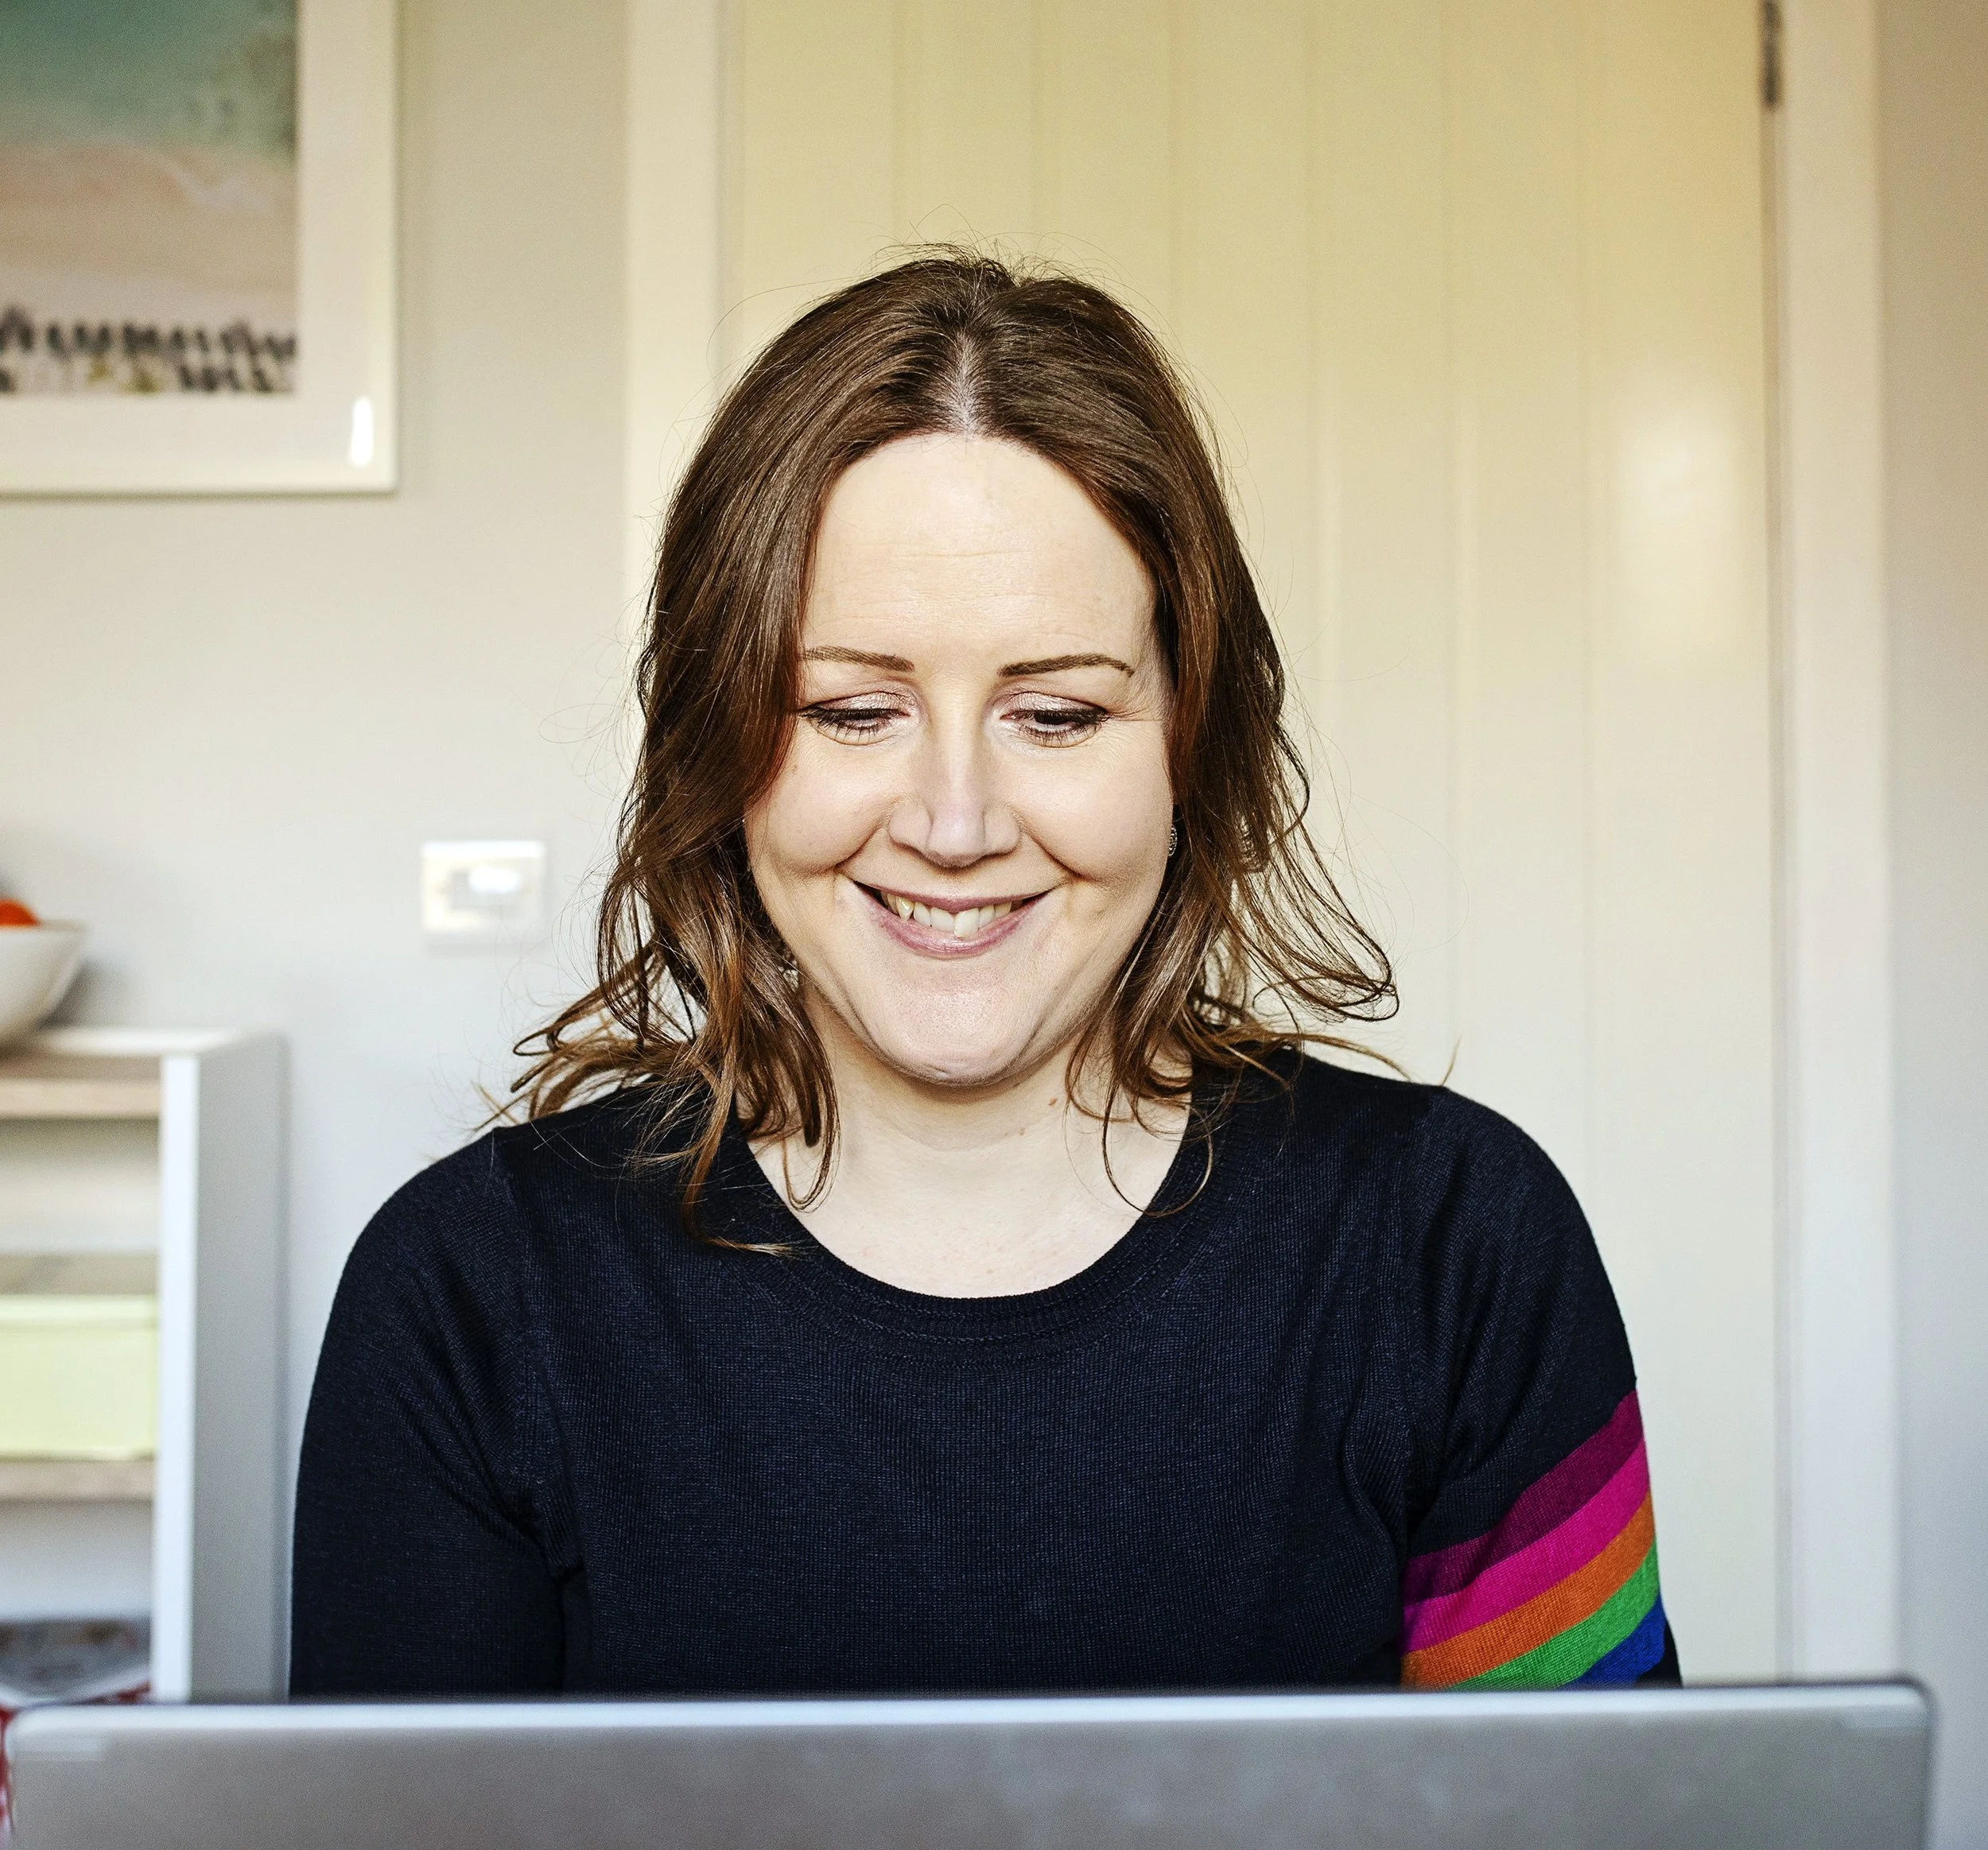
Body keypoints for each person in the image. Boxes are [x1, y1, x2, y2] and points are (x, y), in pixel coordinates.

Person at [290, 252, 1679, 1696]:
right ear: (723, 750)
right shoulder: (465, 1296)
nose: (954, 823)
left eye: (1059, 713)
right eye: (851, 708)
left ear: (1189, 746)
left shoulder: (1458, 1251)